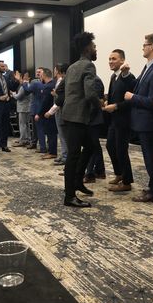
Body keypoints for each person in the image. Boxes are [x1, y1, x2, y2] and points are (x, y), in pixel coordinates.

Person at [124, 33, 153, 202]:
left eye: (145, 45)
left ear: (152, 47)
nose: (142, 47)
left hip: (149, 121)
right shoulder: (149, 66)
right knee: (150, 156)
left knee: (150, 157)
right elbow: (139, 86)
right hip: (144, 120)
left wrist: (132, 97)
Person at [62, 32, 101, 208]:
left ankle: (77, 181)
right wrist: (100, 105)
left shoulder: (72, 67)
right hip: (78, 118)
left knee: (91, 146)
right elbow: (90, 93)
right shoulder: (88, 66)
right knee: (73, 156)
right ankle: (69, 196)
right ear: (87, 49)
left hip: (70, 116)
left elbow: (62, 91)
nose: (95, 49)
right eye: (94, 46)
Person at [103, 49, 135, 192]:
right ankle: (120, 174)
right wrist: (107, 103)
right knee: (110, 146)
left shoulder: (127, 76)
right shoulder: (112, 77)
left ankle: (127, 182)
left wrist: (115, 106)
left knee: (121, 150)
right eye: (109, 59)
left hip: (124, 120)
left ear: (122, 60)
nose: (110, 61)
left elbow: (131, 100)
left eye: (114, 59)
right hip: (114, 120)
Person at [35, 68, 58, 159]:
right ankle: (51, 151)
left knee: (51, 133)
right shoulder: (54, 84)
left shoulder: (47, 86)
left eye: (41, 74)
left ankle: (52, 152)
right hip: (52, 112)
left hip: (48, 114)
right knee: (51, 134)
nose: (40, 76)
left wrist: (39, 114)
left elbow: (44, 102)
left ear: (44, 75)